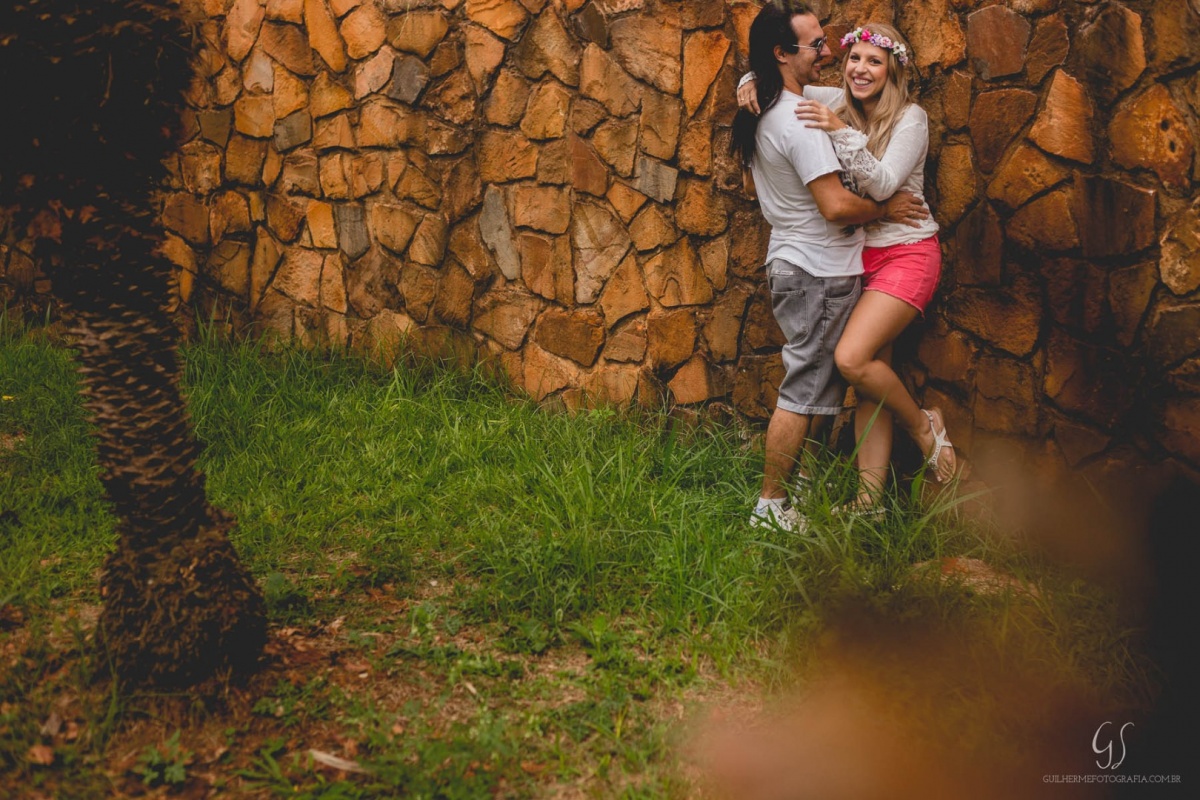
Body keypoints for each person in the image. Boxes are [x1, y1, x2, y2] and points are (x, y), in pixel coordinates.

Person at [737, 21, 956, 513]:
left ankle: (924, 426)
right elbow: (777, 79)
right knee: (869, 377)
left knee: (852, 360)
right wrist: (745, 83)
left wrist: (840, 131)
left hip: (906, 253)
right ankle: (868, 501)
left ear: (893, 68)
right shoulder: (837, 99)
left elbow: (881, 185)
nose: (860, 69)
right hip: (860, 258)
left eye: (874, 61)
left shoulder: (911, 118)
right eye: (853, 58)